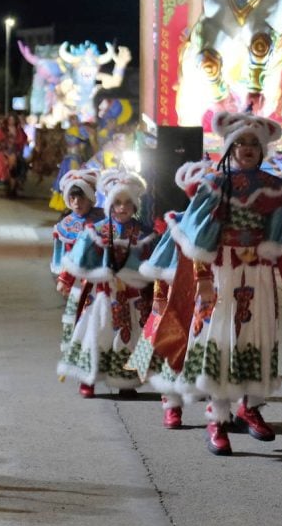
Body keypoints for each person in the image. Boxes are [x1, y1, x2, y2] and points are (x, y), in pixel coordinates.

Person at [168, 112, 282, 456]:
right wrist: (202, 278)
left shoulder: (273, 187)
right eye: (240, 143)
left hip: (258, 272)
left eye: (254, 144)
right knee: (220, 339)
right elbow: (198, 237)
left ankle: (250, 407)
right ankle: (218, 417)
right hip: (221, 271)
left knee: (256, 336)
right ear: (229, 147)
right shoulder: (214, 183)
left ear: (263, 150)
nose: (247, 149)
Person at [125, 160, 216, 430]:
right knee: (172, 351)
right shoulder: (178, 225)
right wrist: (160, 301)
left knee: (211, 353)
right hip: (179, 301)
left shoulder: (223, 228)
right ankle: (172, 406)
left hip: (212, 303)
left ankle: (219, 408)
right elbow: (161, 267)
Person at [57, 169, 156, 398]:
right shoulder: (96, 231)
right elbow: (78, 258)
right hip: (103, 294)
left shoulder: (145, 234)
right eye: (117, 202)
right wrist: (66, 278)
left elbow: (155, 264)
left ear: (135, 205)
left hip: (134, 297)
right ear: (110, 204)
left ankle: (127, 381)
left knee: (131, 338)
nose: (122, 208)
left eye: (127, 203)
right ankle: (88, 377)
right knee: (97, 333)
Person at [50, 168, 104, 377]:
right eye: (72, 198)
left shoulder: (103, 221)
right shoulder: (65, 226)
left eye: (81, 198)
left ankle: (101, 366)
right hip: (77, 284)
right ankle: (81, 368)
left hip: (101, 282)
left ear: (91, 198)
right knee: (78, 322)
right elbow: (64, 258)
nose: (76, 203)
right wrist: (64, 277)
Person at [0, 114, 27, 197]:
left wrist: (15, 146)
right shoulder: (2, 129)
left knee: (16, 161)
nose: (11, 121)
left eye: (13, 119)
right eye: (10, 119)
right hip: (4, 150)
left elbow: (22, 140)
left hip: (15, 151)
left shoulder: (19, 130)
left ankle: (15, 183)